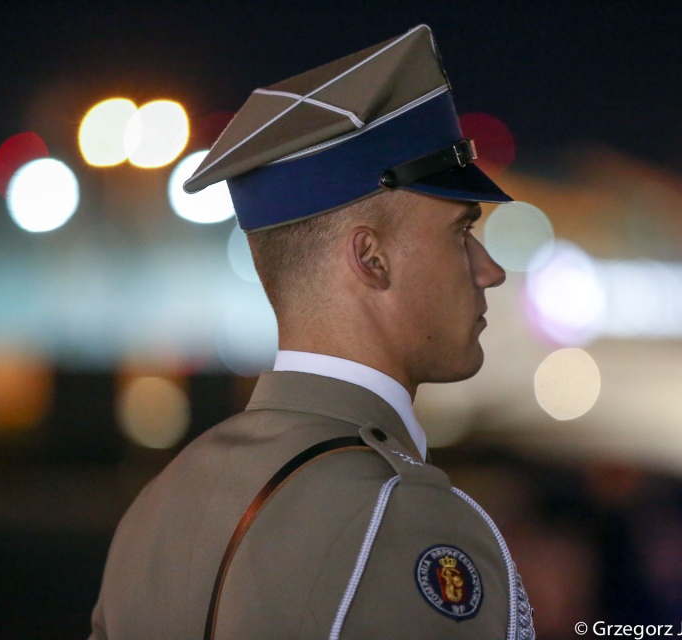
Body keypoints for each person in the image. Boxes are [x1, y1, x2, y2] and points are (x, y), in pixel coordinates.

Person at [89, 24, 536, 639]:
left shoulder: (159, 508)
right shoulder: (405, 519)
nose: (489, 270)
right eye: (462, 232)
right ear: (371, 258)